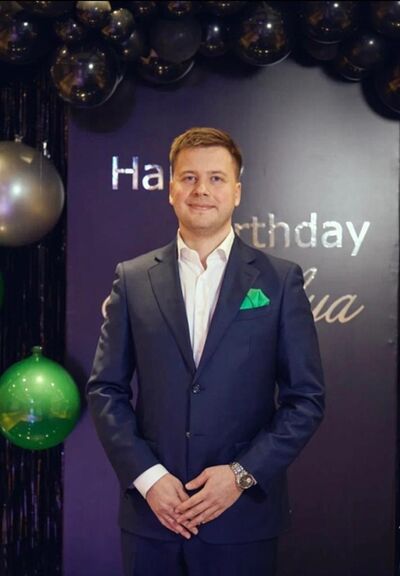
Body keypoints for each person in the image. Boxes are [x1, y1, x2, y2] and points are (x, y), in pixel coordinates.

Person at [86, 127, 325, 576]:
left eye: (216, 178)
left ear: (237, 192)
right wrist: (149, 478)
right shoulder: (132, 278)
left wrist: (240, 475)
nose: (201, 190)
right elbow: (106, 390)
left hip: (243, 519)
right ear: (171, 189)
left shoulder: (279, 280)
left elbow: (305, 400)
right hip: (153, 518)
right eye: (189, 177)